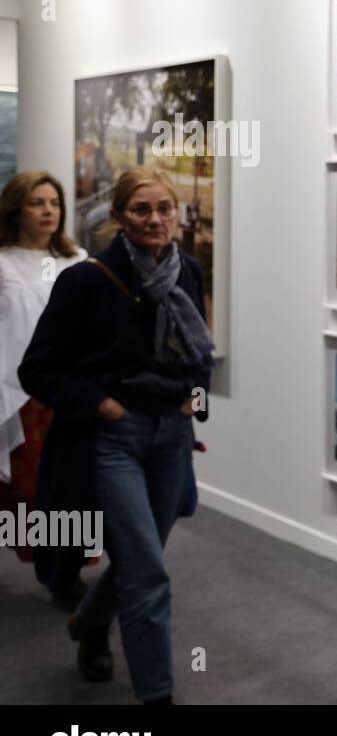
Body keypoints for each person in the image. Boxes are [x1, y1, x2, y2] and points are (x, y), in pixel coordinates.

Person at [20, 166, 213, 704]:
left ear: (177, 213)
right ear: (118, 217)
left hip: (171, 437)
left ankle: (91, 620)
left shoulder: (188, 271)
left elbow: (201, 356)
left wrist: (192, 405)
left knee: (138, 555)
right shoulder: (85, 280)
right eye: (142, 210)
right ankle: (158, 695)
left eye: (164, 209)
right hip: (116, 439)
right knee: (148, 571)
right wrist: (101, 404)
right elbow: (37, 369)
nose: (155, 220)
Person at [0, 171, 87, 582]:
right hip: (16, 392)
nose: (48, 210)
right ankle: (45, 563)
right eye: (37, 202)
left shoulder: (78, 260)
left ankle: (66, 571)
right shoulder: (2, 261)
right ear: (17, 209)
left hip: (70, 388)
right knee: (26, 486)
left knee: (75, 484)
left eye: (54, 202)